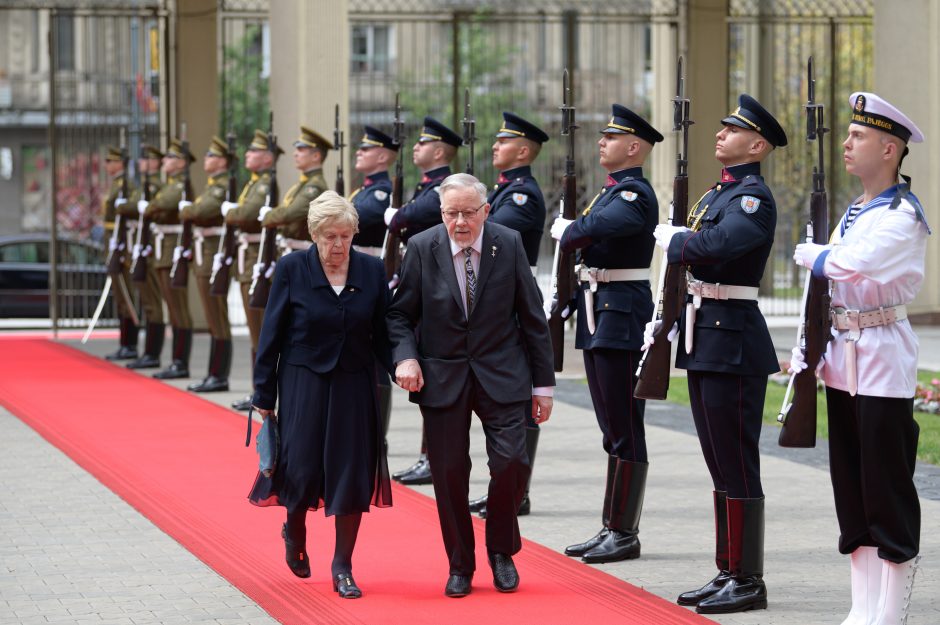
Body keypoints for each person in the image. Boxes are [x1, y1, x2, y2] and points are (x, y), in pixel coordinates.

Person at [791, 92, 927, 625]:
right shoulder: (854, 213)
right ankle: (861, 606)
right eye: (847, 135)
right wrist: (805, 349)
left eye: (859, 136)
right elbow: (826, 287)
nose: (847, 143)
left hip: (881, 359)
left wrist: (815, 254)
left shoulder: (902, 215)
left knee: (885, 487)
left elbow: (854, 265)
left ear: (889, 149)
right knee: (851, 485)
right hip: (842, 357)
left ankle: (889, 612)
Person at [648, 94, 787, 614]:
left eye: (733, 130)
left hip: (734, 341)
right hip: (706, 335)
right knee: (717, 460)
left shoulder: (753, 198)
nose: (719, 134)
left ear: (756, 144)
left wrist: (679, 240)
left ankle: (749, 579)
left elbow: (718, 247)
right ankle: (728, 567)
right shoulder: (715, 194)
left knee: (738, 461)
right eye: (722, 127)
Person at [387, 172, 555, 598]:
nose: (459, 222)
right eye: (450, 213)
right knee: (448, 473)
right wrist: (406, 357)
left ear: (486, 210)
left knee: (513, 462)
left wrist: (543, 386)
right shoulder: (424, 247)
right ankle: (460, 563)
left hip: (503, 373)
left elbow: (533, 318)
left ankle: (501, 549)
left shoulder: (508, 243)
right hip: (442, 377)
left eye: (468, 212)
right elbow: (400, 315)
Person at [249, 190, 393, 599]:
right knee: (302, 465)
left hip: (355, 381)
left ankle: (342, 565)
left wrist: (405, 365)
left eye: (345, 236)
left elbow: (383, 332)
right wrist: (264, 393)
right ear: (314, 235)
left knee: (350, 470)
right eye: (329, 236)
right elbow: (271, 335)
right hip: (303, 379)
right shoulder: (293, 268)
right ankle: (294, 528)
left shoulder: (371, 270)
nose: (338, 245)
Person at [550, 104, 663, 563]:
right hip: (599, 311)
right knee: (610, 425)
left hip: (621, 313)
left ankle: (625, 532)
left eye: (612, 138)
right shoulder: (609, 191)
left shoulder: (634, 194)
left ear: (634, 147)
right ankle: (611, 525)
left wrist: (572, 228)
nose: (602, 143)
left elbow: (599, 228)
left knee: (625, 425)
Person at [467, 111, 550, 519]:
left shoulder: (523, 195)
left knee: (516, 403)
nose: (494, 147)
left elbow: (491, 236)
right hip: (497, 298)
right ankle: (507, 488)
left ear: (522, 150)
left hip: (515, 300)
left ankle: (517, 491)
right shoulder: (502, 192)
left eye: (503, 142)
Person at [384, 116, 461, 487]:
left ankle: (433, 457)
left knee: (434, 378)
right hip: (421, 286)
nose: (415, 147)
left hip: (437, 294)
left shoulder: (442, 191)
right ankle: (428, 455)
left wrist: (395, 216)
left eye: (424, 143)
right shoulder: (427, 186)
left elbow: (404, 219)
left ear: (441, 151)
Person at [224, 129, 283, 411]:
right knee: (254, 330)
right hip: (248, 257)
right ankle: (257, 387)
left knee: (260, 331)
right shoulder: (254, 184)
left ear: (267, 157)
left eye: (253, 151)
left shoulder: (263, 187)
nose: (247, 155)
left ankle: (263, 389)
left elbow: (245, 215)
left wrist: (229, 211)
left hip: (258, 259)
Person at [184, 136, 234, 393]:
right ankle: (213, 373)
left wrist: (188, 209)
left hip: (214, 255)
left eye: (211, 156)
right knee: (213, 317)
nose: (206, 160)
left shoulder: (222, 186)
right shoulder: (212, 185)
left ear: (223, 161)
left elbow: (201, 212)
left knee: (218, 316)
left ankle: (219, 374)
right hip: (205, 253)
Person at [147, 139, 195, 380]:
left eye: (169, 158)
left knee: (178, 308)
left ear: (181, 163)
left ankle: (181, 361)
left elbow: (158, 205)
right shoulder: (170, 185)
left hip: (173, 249)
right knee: (172, 308)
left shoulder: (179, 187)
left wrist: (150, 206)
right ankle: (176, 359)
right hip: (164, 248)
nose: (164, 161)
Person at [126, 144, 167, 370]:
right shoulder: (143, 186)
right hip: (144, 247)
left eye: (145, 159)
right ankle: (149, 351)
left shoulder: (156, 187)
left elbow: (137, 209)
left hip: (151, 250)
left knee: (153, 303)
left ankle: (153, 352)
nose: (141, 162)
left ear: (154, 162)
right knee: (147, 303)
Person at [262, 125, 332, 256]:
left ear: (316, 156)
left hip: (303, 254)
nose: (295, 153)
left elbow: (288, 214)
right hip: (293, 252)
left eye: (300, 149)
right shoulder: (304, 183)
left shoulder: (315, 187)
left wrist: (267, 216)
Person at [100, 145, 140, 361]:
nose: (107, 165)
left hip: (120, 242)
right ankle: (125, 343)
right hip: (112, 241)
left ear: (119, 164)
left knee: (126, 295)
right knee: (120, 297)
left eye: (110, 161)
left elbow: (127, 216)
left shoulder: (126, 185)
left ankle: (130, 344)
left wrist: (122, 249)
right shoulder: (116, 184)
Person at [349, 126, 397, 256]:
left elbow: (357, 217)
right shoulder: (365, 189)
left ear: (382, 157)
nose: (358, 153)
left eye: (365, 149)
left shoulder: (383, 191)